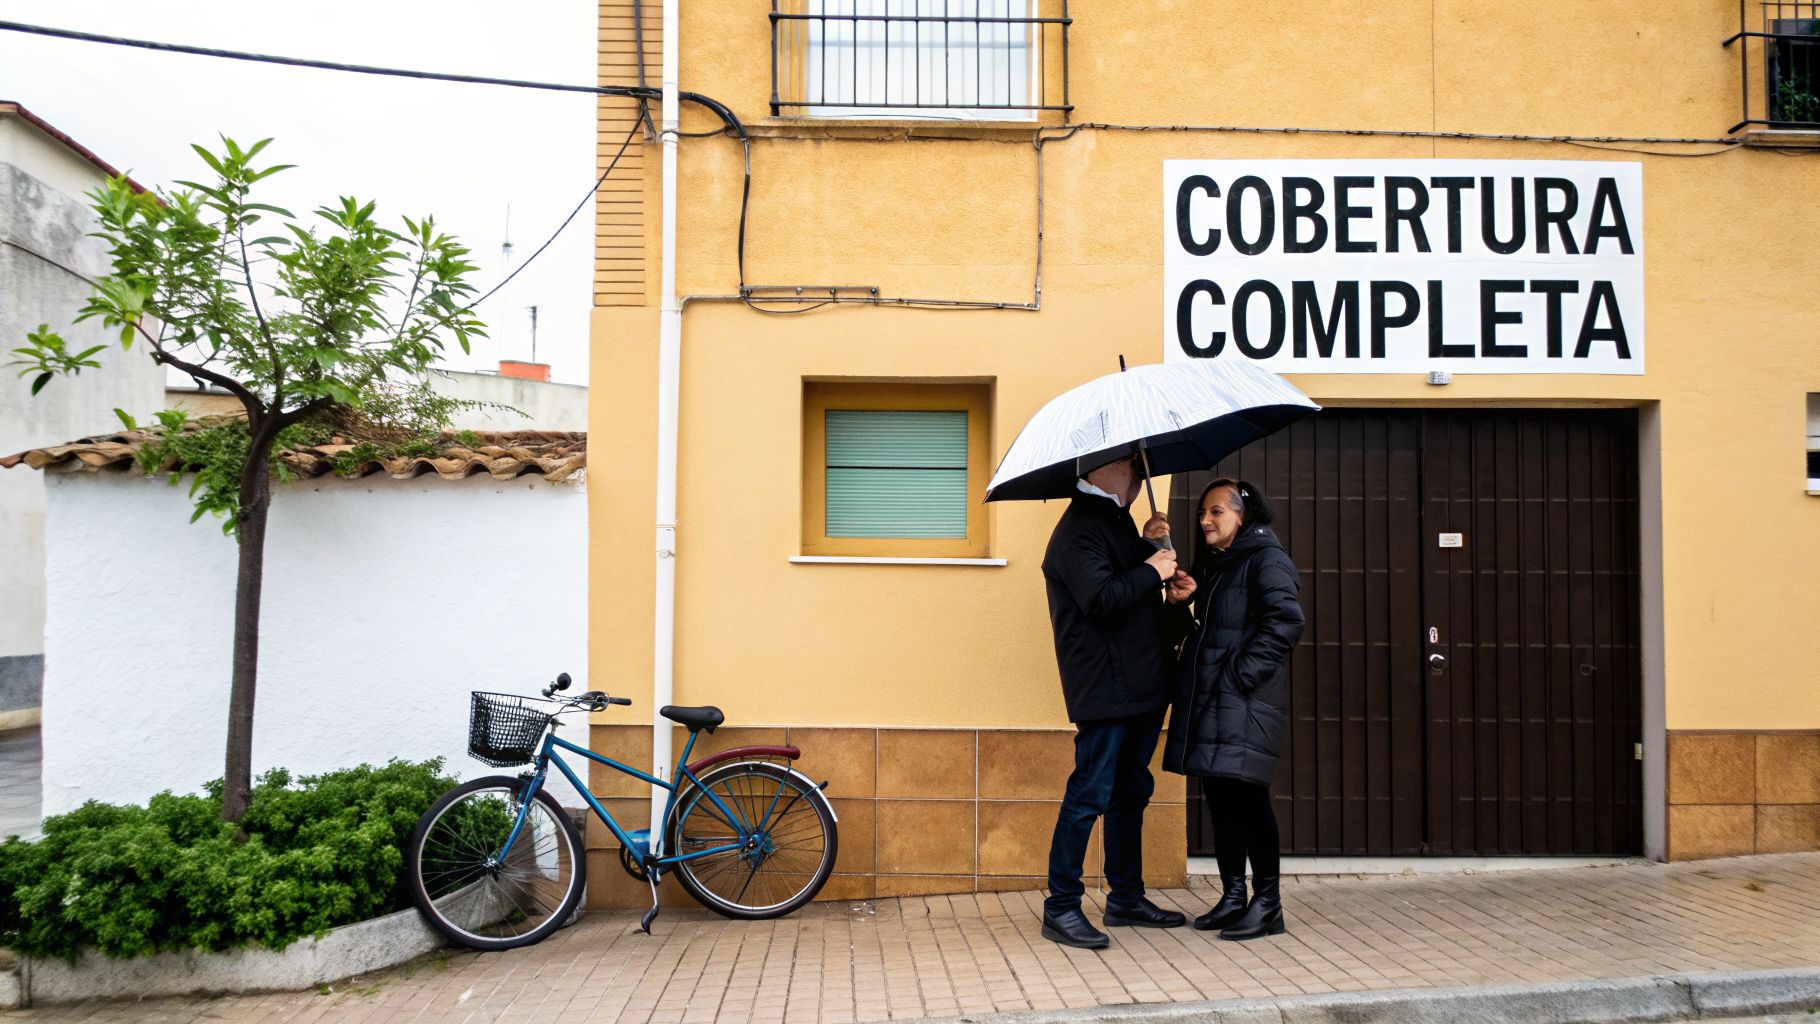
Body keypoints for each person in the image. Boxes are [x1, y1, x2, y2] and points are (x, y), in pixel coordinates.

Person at [1038, 450, 1198, 950]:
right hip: (1105, 691)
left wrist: (1171, 589)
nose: (1142, 477)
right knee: (1089, 794)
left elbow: (1138, 608)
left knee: (1131, 791)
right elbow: (1101, 600)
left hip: (1141, 688)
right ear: (1109, 469)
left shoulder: (1116, 523)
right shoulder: (1077, 530)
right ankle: (1060, 906)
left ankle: (1126, 897)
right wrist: (1151, 567)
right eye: (1137, 468)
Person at [1163, 478, 1304, 941]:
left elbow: (1284, 622)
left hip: (1241, 701)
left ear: (1244, 516)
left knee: (1248, 800)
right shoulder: (1221, 565)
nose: (1205, 519)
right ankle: (1232, 896)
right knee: (1221, 801)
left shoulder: (1267, 560)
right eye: (1203, 512)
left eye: (1217, 512)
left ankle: (1268, 905)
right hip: (1216, 701)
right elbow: (1211, 629)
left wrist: (1238, 676)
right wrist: (1185, 601)